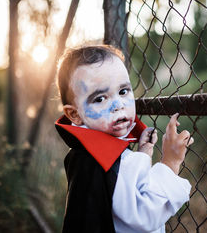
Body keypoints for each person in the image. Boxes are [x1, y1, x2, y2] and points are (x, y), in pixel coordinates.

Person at [55, 45, 194, 233]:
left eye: (123, 92)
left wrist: (143, 154)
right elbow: (143, 215)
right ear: (74, 114)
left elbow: (123, 193)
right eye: (99, 98)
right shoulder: (109, 162)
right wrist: (170, 163)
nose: (118, 105)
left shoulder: (85, 155)